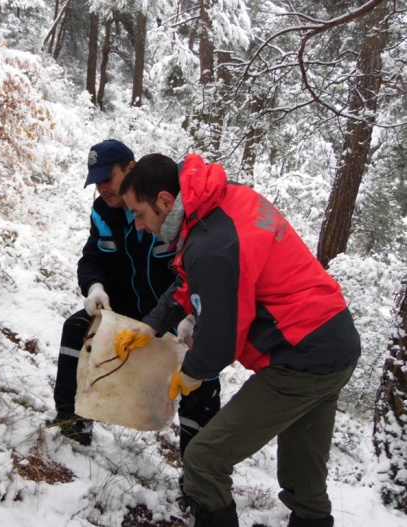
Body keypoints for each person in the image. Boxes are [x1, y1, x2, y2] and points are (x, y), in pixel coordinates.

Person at [115, 153, 361, 527]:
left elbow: (220, 337)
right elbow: (194, 280)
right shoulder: (222, 201)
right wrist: (150, 325)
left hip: (301, 356)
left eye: (139, 213)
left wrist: (191, 373)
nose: (138, 225)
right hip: (335, 339)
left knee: (204, 461)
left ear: (165, 201)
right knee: (304, 481)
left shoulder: (211, 243)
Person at [51, 140, 220, 458]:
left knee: (201, 374)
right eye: (96, 181)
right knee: (76, 328)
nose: (102, 188)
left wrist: (190, 316)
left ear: (131, 168)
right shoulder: (104, 211)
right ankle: (72, 422)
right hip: (125, 306)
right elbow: (93, 257)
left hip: (175, 311)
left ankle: (198, 472)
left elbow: (197, 270)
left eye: (107, 178)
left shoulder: (162, 203)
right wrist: (95, 286)